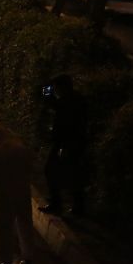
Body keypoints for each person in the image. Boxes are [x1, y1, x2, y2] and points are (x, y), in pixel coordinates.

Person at [0, 122, 36, 264]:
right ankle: (28, 257)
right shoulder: (21, 148)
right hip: (23, 191)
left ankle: (7, 261)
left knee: (6, 227)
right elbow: (31, 166)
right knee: (25, 223)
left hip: (5, 193)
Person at [41, 74, 87, 215]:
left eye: (56, 87)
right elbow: (49, 101)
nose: (55, 90)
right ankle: (68, 205)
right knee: (68, 174)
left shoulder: (67, 102)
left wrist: (63, 146)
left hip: (66, 143)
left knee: (54, 171)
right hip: (67, 143)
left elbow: (67, 124)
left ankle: (61, 204)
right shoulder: (73, 99)